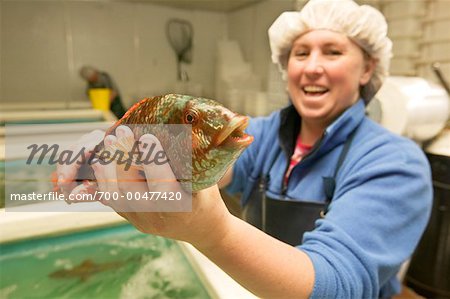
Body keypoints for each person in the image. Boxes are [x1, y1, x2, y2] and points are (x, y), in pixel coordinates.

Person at [59, 1, 432, 297]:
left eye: (332, 52)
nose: (312, 67)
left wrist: (213, 232)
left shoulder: (396, 162)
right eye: (300, 54)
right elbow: (218, 166)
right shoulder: (268, 133)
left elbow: (338, 285)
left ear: (367, 69)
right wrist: (127, 154)